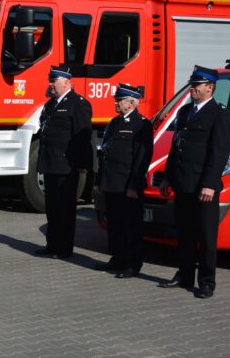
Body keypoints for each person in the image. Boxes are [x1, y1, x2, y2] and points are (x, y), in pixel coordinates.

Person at [159, 65, 230, 299]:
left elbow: (219, 153)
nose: (192, 89)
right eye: (192, 85)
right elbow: (176, 148)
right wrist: (167, 178)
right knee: (185, 233)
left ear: (210, 88)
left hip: (204, 186)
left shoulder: (219, 115)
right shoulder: (185, 113)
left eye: (196, 85)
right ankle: (184, 275)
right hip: (183, 182)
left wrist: (210, 184)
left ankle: (207, 281)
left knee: (206, 235)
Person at [94, 83, 153, 278]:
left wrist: (134, 185)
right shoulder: (114, 123)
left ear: (131, 102)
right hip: (111, 183)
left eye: (119, 100)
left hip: (127, 184)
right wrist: (100, 181)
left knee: (131, 226)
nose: (116, 104)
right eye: (116, 100)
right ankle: (117, 258)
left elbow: (142, 157)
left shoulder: (141, 124)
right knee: (115, 225)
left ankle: (132, 264)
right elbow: (104, 153)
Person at [35, 67, 93, 258]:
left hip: (67, 165)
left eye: (55, 81)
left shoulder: (78, 104)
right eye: (50, 81)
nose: (51, 84)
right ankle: (52, 245)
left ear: (67, 83)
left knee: (65, 209)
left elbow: (82, 137)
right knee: (52, 208)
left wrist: (82, 164)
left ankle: (64, 248)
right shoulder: (51, 104)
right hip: (51, 163)